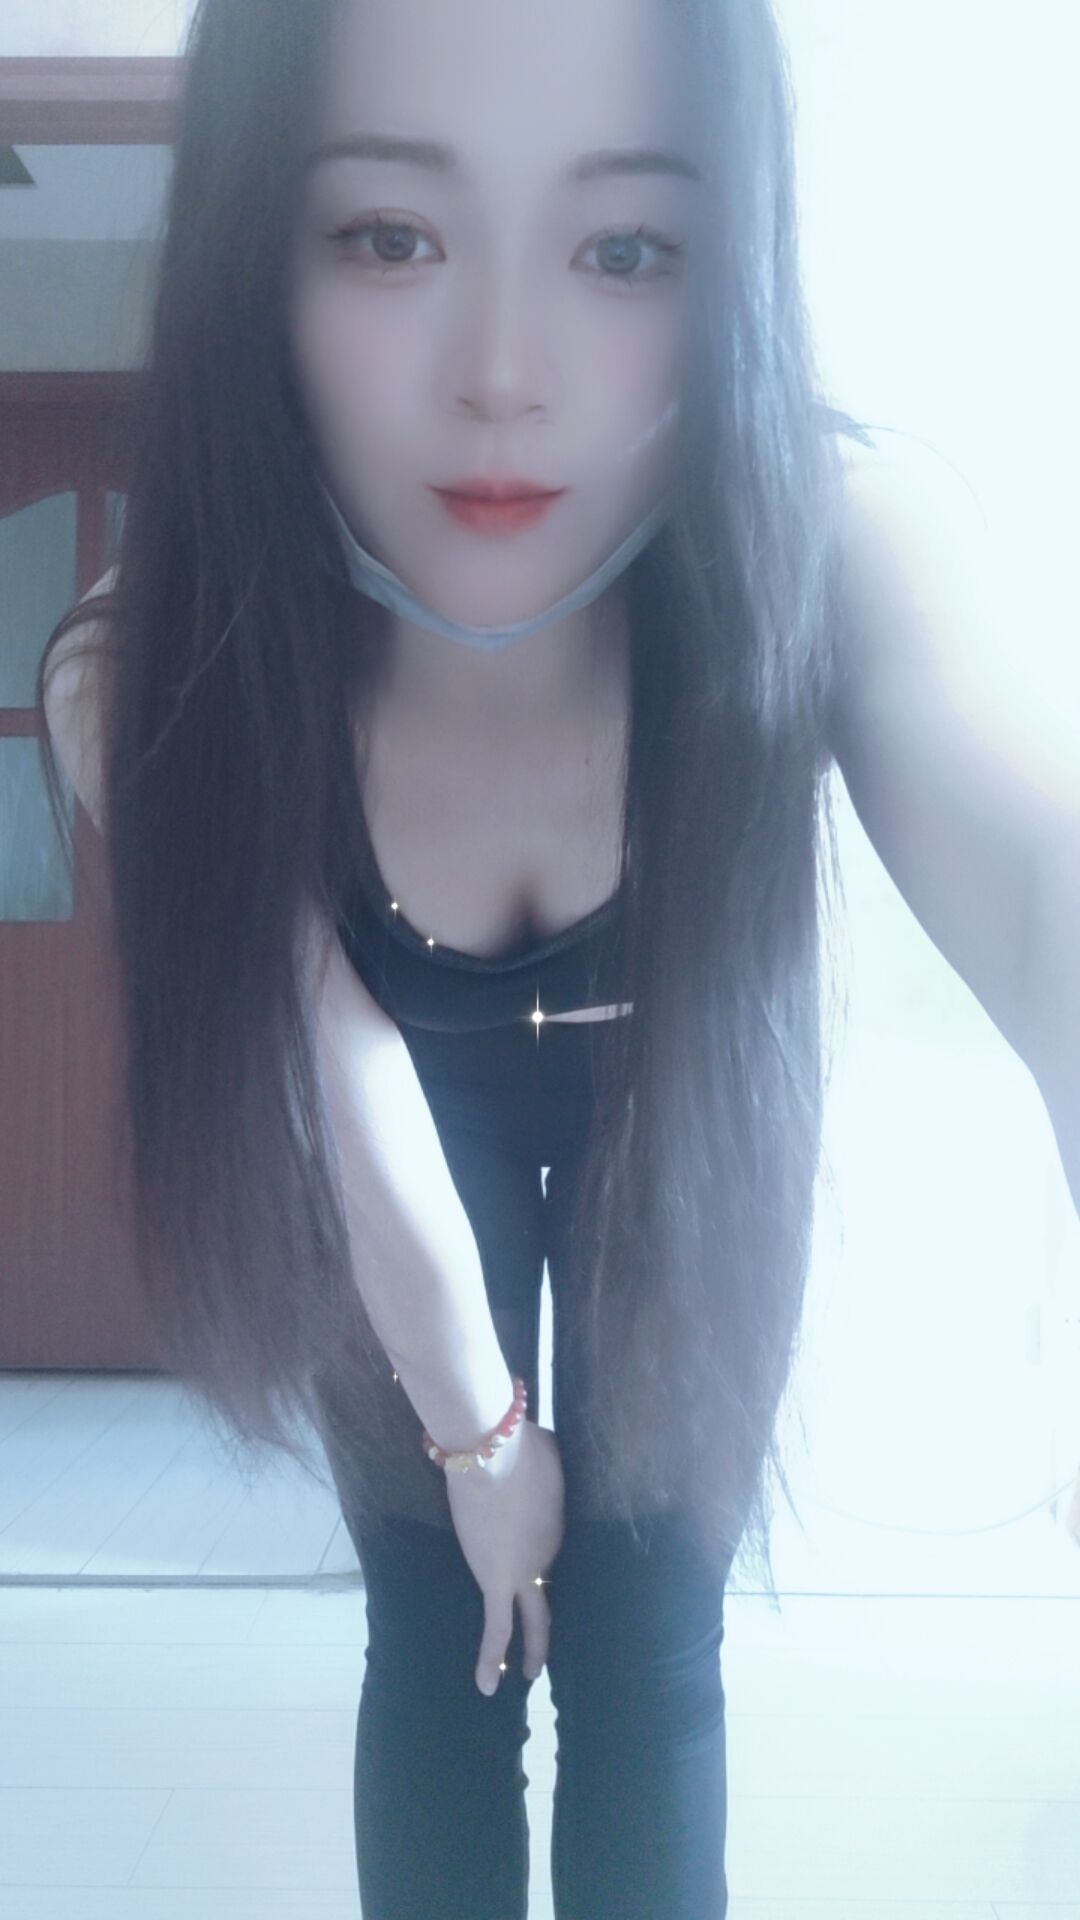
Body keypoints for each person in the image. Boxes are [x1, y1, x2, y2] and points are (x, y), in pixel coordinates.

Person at [35, 2, 1080, 1916]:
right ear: (258, 246)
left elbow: (1044, 882)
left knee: (650, 1653)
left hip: (672, 1116)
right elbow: (324, 1051)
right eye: (389, 235)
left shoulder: (832, 541)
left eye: (624, 246)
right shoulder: (148, 651)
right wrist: (478, 1430)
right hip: (379, 1153)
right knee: (443, 1641)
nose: (505, 376)